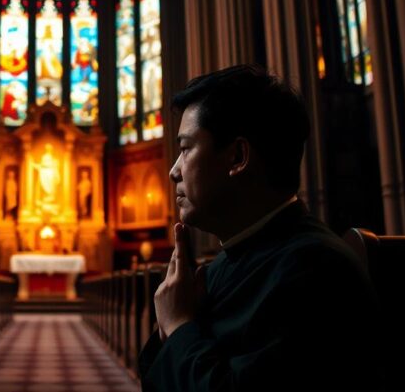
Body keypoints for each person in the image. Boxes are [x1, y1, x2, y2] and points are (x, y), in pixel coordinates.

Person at [138, 64, 381, 390]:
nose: (173, 171)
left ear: (238, 157)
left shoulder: (315, 270)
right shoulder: (227, 260)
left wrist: (179, 324)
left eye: (185, 149)